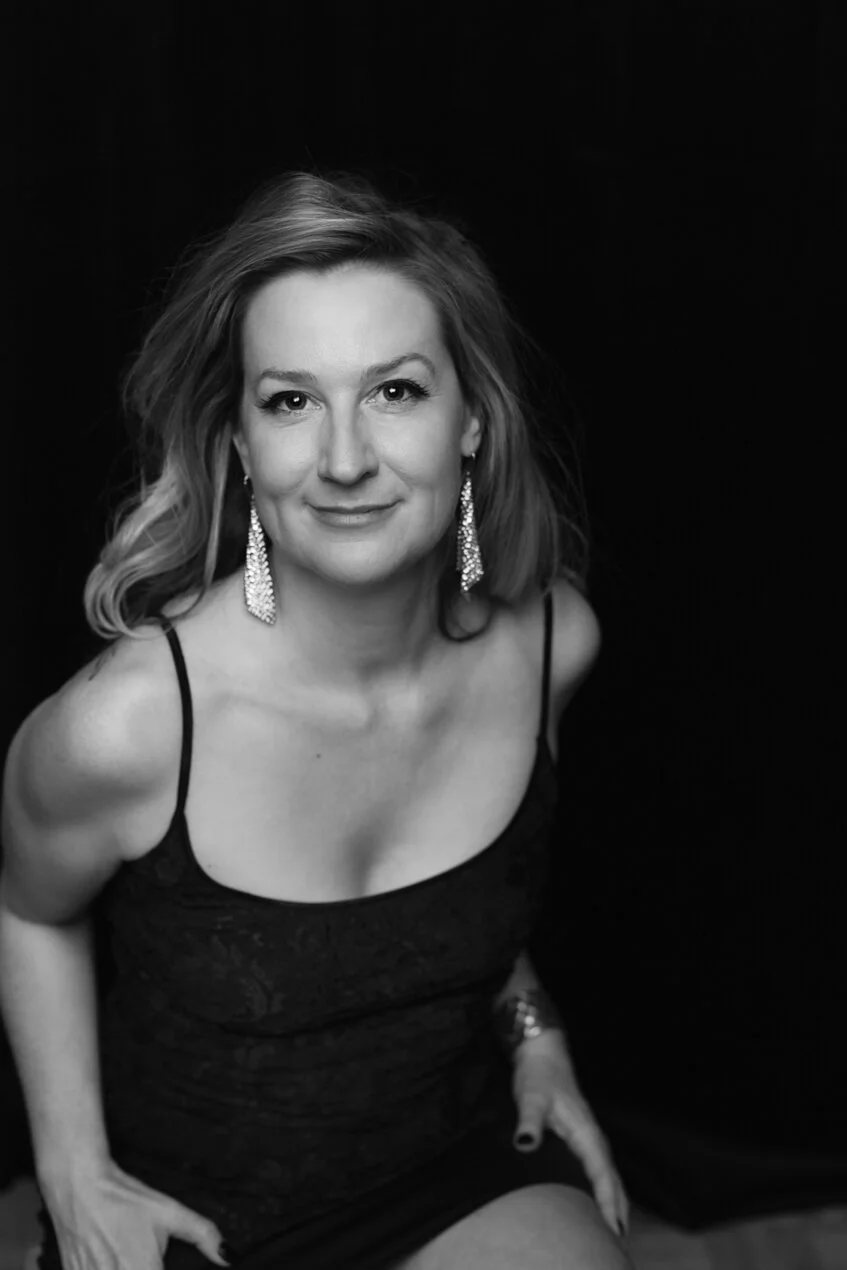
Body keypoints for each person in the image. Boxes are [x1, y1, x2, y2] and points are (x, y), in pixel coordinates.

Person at [0, 170, 633, 1270]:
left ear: (473, 421)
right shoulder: (129, 727)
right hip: (193, 1215)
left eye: (395, 391)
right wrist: (71, 1170)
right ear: (241, 445)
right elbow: (31, 913)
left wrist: (538, 1036)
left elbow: (460, 903)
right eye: (291, 401)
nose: (344, 459)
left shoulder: (549, 648)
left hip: (441, 1168)